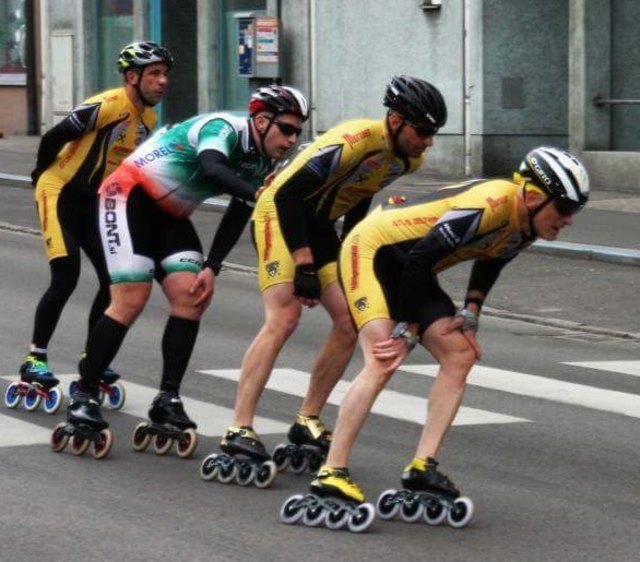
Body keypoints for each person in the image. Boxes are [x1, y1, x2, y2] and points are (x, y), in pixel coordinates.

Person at [307, 146, 589, 508]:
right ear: (533, 196)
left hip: (412, 266)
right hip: (373, 251)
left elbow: (494, 258)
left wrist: (472, 308)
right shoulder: (492, 204)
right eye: (565, 208)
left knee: (460, 354)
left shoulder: (529, 221)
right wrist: (408, 327)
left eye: (574, 210)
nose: (568, 220)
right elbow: (423, 257)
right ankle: (333, 471)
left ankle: (422, 466)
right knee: (383, 357)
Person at [221, 76, 448, 466]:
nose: (428, 141)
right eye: (423, 131)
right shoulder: (354, 139)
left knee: (349, 319)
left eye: (433, 133)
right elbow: (288, 195)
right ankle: (240, 426)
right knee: (284, 316)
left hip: (321, 224)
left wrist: (347, 253)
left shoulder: (408, 159)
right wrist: (305, 263)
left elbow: (359, 197)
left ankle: (307, 418)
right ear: (395, 120)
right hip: (280, 213)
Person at [66, 85, 309, 438]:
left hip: (170, 213)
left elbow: (239, 212)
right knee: (131, 298)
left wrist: (212, 265)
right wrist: (258, 191)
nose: (292, 139)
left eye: (298, 132)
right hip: (128, 195)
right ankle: (84, 394)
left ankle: (167, 398)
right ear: (260, 121)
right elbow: (212, 168)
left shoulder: (263, 161)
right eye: (287, 128)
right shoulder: (223, 128)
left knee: (191, 295)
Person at [19, 41, 173, 390]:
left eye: (165, 75)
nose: (162, 81)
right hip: (59, 192)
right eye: (154, 74)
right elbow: (54, 136)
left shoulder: (148, 119)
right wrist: (39, 175)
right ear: (132, 77)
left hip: (93, 204)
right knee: (66, 272)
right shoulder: (105, 106)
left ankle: (94, 358)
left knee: (112, 279)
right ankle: (35, 357)